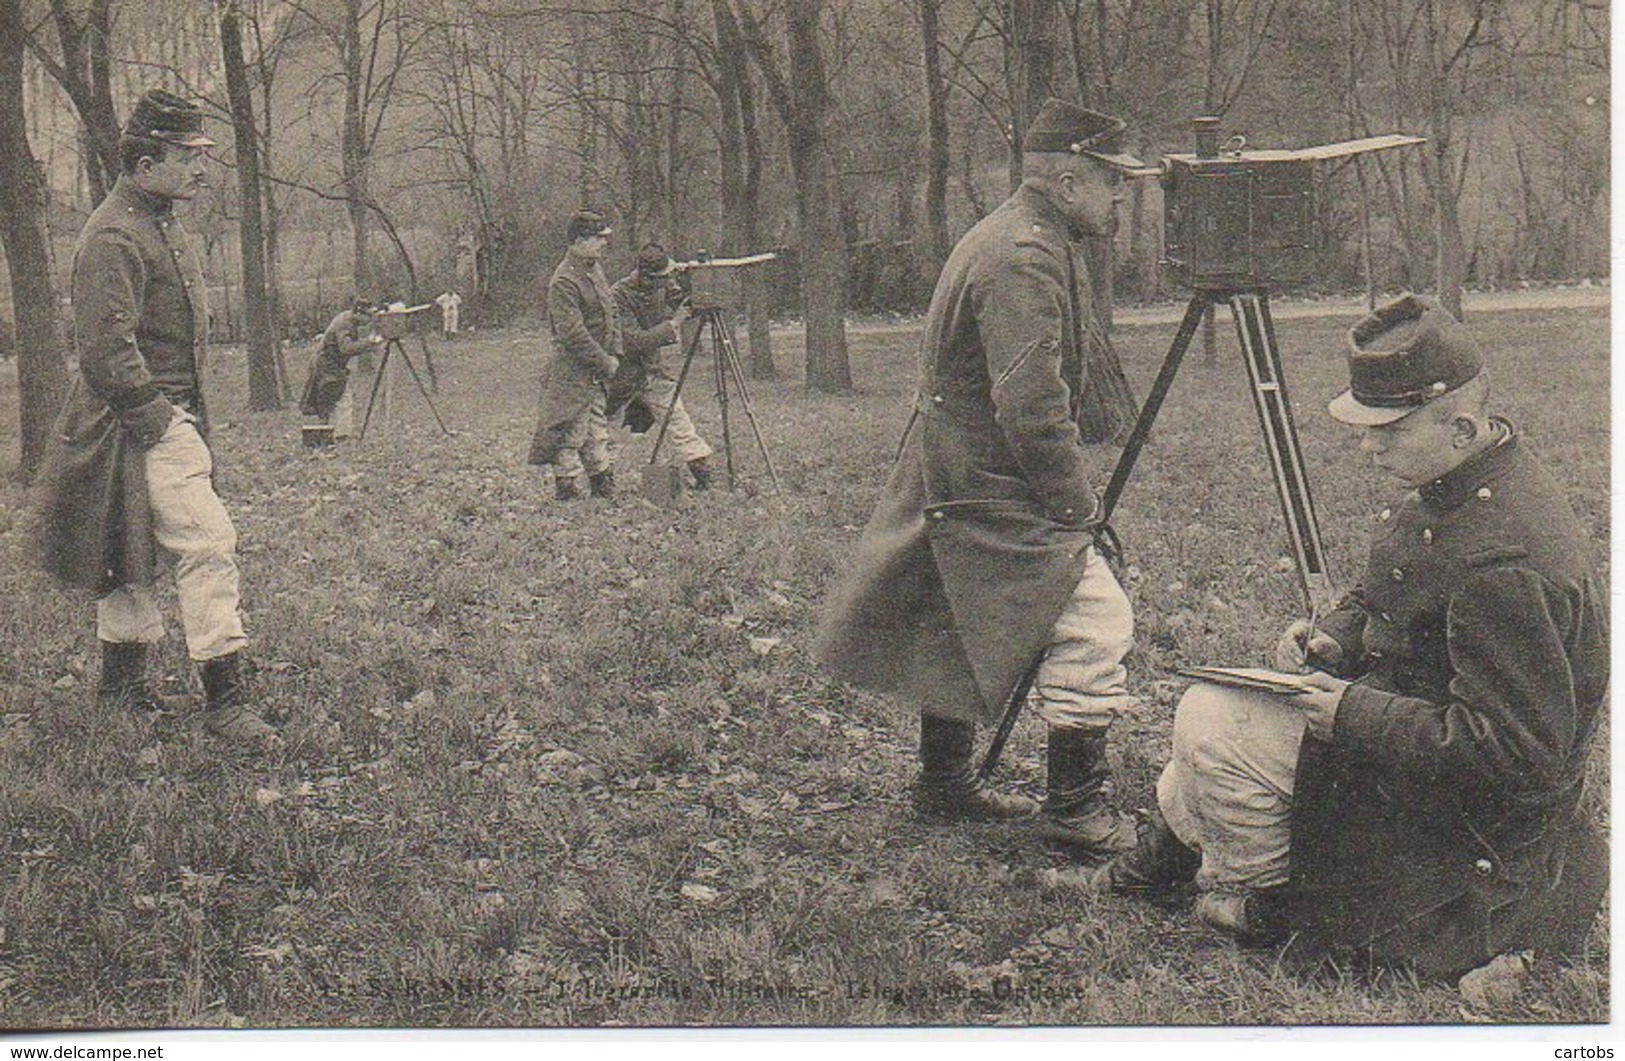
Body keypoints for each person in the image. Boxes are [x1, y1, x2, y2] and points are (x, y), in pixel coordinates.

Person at [1075, 294, 1609, 982]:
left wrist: (1350, 712)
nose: (1368, 446)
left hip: (1473, 831)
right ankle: (1161, 868)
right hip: (1420, 749)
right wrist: (1337, 634)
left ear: (1460, 425)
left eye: (1387, 431)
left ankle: (1283, 907)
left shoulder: (1501, 562)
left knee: (1210, 725)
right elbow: (1400, 590)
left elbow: (1514, 755)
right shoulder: (1461, 484)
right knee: (1206, 743)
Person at [815, 99, 1146, 856]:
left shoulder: (1016, 232)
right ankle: (1073, 810)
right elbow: (1029, 403)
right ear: (1067, 179)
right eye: (1110, 180)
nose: (1120, 196)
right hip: (985, 481)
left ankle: (943, 784)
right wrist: (1076, 506)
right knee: (1098, 622)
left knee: (950, 617)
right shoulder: (1023, 255)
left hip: (958, 467)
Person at [34, 88, 277, 748]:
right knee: (199, 544)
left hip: (159, 416)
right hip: (132, 421)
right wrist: (164, 421)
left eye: (202, 155)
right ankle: (224, 703)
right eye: (186, 156)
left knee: (132, 549)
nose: (202, 169)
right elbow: (107, 350)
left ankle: (122, 690)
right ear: (143, 163)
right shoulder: (115, 235)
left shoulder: (161, 219)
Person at [528, 210, 621, 500]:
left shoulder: (594, 269)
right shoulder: (564, 281)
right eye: (598, 238)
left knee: (596, 429)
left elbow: (611, 313)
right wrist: (605, 362)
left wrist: (615, 352)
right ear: (579, 241)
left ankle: (601, 486)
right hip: (571, 372)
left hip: (595, 370)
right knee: (569, 433)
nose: (604, 244)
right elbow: (572, 334)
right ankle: (566, 491)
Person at [607, 243, 714, 489]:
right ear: (646, 277)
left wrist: (690, 278)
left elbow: (687, 303)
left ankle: (703, 475)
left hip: (653, 371)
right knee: (610, 432)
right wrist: (674, 323)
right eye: (662, 279)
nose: (666, 284)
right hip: (624, 373)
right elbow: (633, 341)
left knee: (679, 421)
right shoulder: (617, 296)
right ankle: (603, 485)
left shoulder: (663, 283)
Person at [299, 299, 382, 439]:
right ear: (357, 312)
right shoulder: (344, 324)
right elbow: (346, 348)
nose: (368, 320)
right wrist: (369, 343)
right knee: (340, 398)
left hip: (331, 364)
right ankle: (340, 435)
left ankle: (329, 434)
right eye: (367, 316)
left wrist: (370, 346)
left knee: (331, 400)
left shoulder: (349, 320)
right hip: (326, 365)